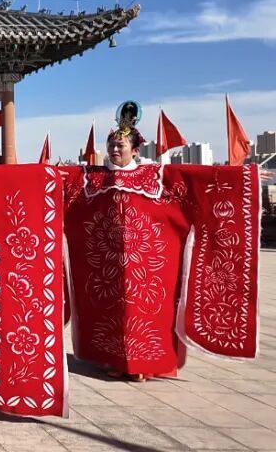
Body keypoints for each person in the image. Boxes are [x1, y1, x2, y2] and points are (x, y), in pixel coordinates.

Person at [62, 101, 267, 383]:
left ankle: (145, 364)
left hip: (150, 263)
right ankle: (116, 361)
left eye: (120, 145)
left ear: (135, 150)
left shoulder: (156, 175)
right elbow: (52, 180)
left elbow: (198, 179)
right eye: (111, 145)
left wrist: (243, 176)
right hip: (105, 262)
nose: (114, 149)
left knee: (148, 314)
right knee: (109, 310)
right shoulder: (92, 178)